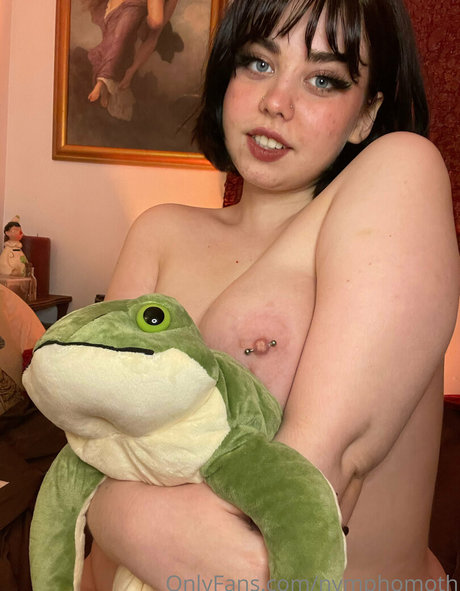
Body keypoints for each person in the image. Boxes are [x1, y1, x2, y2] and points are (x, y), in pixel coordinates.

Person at [82, 0, 460, 589]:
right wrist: (109, 511)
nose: (276, 102)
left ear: (366, 115)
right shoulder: (157, 233)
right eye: (258, 63)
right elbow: (94, 449)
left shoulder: (399, 186)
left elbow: (300, 495)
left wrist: (121, 512)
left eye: (323, 79)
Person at [87, 0, 179, 120]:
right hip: (128, 11)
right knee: (119, 39)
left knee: (153, 28)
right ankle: (104, 83)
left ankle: (110, 83)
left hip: (140, 17)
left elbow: (153, 36)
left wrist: (131, 72)